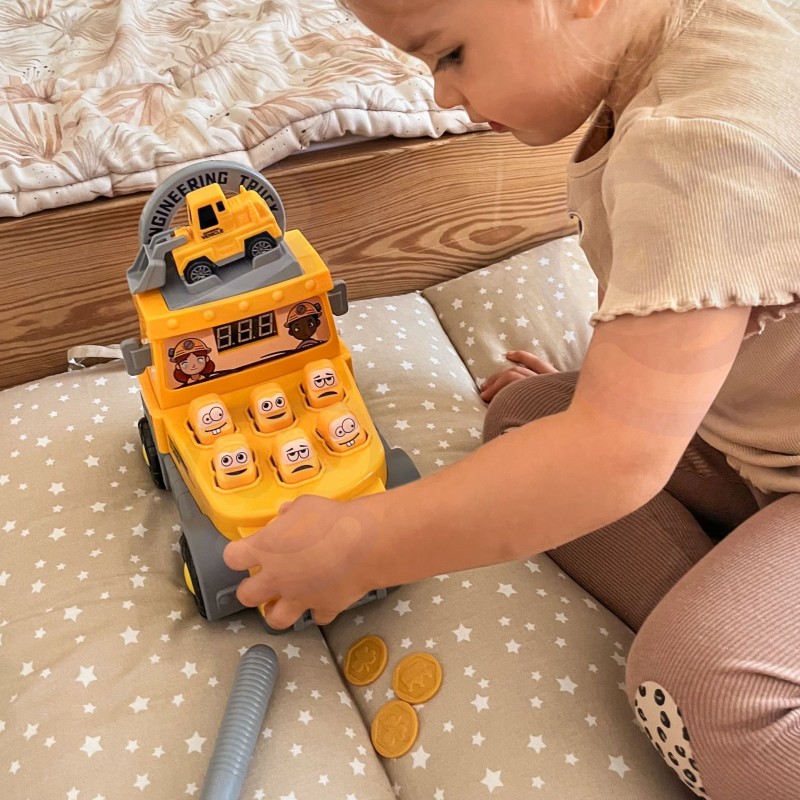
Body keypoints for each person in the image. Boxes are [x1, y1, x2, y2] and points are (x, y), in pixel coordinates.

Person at [224, 1, 799, 797]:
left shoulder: (699, 137)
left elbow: (614, 458)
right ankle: (754, 616)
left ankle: (747, 649)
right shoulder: (678, 54)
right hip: (762, 434)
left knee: (704, 690)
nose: (442, 95)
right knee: (524, 425)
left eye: (449, 54)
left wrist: (365, 544)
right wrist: (622, 383)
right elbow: (719, 282)